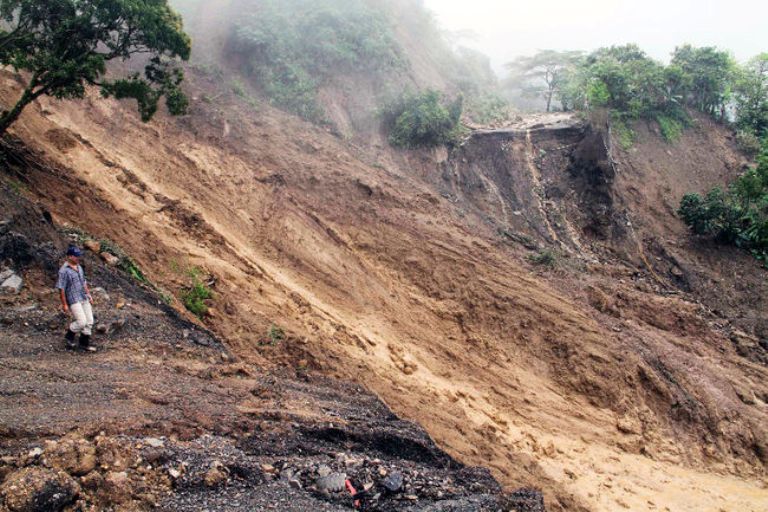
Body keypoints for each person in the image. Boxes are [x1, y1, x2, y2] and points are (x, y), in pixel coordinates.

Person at [56, 245, 96, 352]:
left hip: (83, 297)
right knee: (81, 321)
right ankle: (69, 337)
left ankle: (84, 344)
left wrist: (89, 295)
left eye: (78, 256)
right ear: (69, 256)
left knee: (89, 321)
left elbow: (84, 282)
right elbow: (61, 288)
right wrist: (64, 304)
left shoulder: (79, 268)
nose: (78, 258)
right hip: (73, 299)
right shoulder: (63, 271)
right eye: (75, 256)